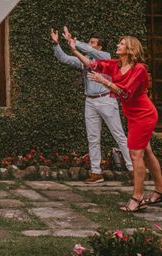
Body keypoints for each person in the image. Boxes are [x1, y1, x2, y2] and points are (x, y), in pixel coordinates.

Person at [68, 35, 162, 212]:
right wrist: (74, 49)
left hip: (144, 115)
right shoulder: (116, 65)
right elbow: (92, 64)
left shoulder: (139, 69)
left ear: (130, 49)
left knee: (135, 155)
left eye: (122, 44)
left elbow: (126, 94)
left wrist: (105, 82)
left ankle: (137, 198)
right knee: (147, 152)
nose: (118, 45)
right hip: (132, 115)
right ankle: (159, 190)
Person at [50, 27, 133, 184]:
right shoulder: (85, 61)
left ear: (99, 47)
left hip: (107, 99)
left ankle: (132, 169)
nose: (89, 44)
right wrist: (56, 44)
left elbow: (88, 50)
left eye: (93, 43)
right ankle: (96, 173)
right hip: (90, 101)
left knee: (119, 135)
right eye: (89, 42)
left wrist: (74, 42)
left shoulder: (106, 57)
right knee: (93, 137)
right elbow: (64, 59)